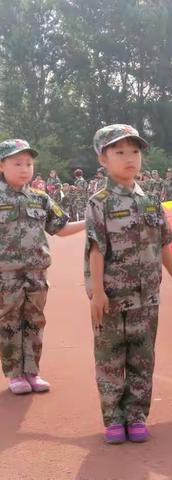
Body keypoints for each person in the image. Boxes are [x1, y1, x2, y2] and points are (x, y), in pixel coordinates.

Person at [85, 124, 172, 444]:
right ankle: (114, 419)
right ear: (103, 158)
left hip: (148, 297)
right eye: (119, 152)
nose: (129, 158)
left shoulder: (151, 202)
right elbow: (95, 249)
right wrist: (98, 293)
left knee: (143, 359)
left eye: (135, 151)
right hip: (113, 298)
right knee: (110, 360)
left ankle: (136, 415)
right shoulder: (98, 202)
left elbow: (162, 243)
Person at [0, 139, 84, 395]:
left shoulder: (41, 198)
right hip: (6, 275)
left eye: (28, 163)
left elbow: (61, 229)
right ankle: (15, 375)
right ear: (2, 166)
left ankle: (32, 372)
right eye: (17, 163)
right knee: (9, 322)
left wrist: (91, 220)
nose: (24, 168)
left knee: (35, 322)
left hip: (37, 273)